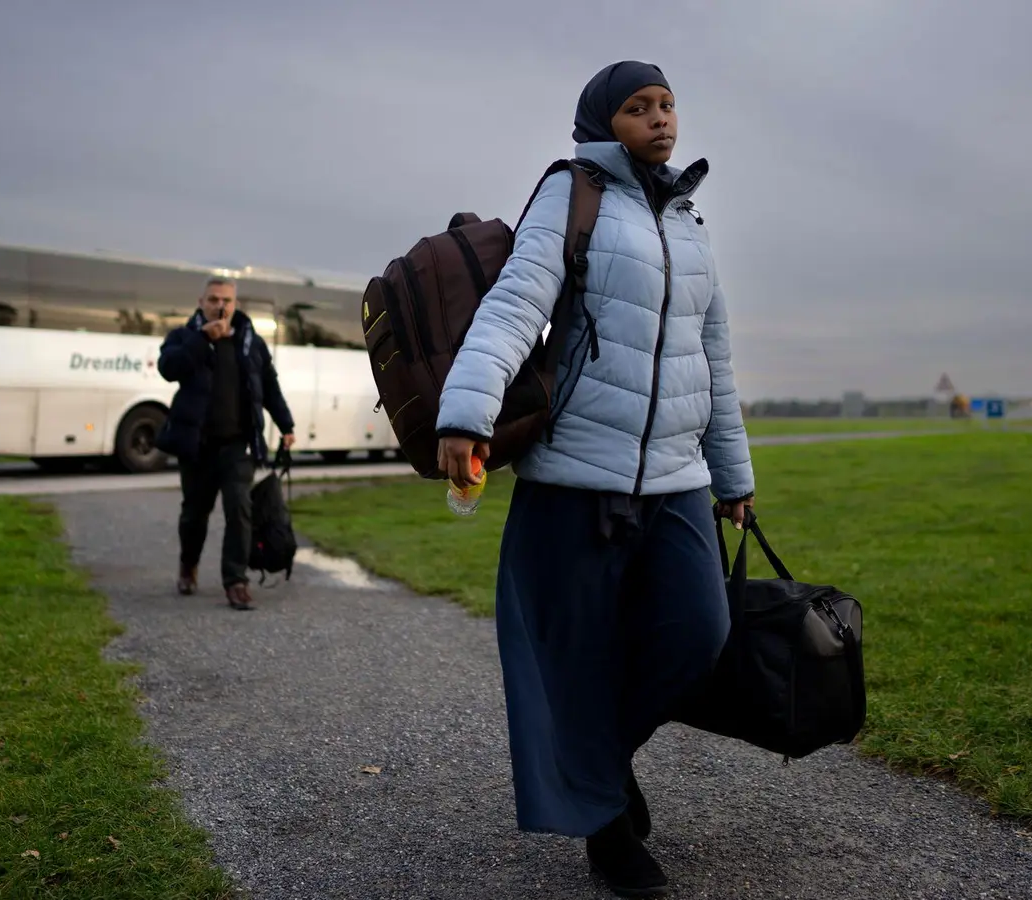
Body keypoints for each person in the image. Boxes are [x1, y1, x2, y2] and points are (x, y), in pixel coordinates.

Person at [435, 61, 756, 896]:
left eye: (668, 105)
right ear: (601, 121)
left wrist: (733, 473)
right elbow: (515, 303)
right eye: (638, 107)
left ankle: (600, 765)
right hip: (577, 474)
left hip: (679, 477)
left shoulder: (690, 217)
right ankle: (609, 830)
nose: (660, 119)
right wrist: (466, 412)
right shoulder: (573, 193)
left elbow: (711, 358)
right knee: (574, 656)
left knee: (698, 634)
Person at [155, 276, 296, 611]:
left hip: (237, 445)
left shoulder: (251, 341)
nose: (221, 306)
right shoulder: (184, 336)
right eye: (214, 299)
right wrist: (202, 340)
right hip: (197, 445)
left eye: (227, 301)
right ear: (201, 301)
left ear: (235, 304)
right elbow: (168, 368)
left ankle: (236, 581)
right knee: (193, 515)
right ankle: (188, 566)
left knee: (240, 510)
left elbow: (269, 386)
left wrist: (286, 424)